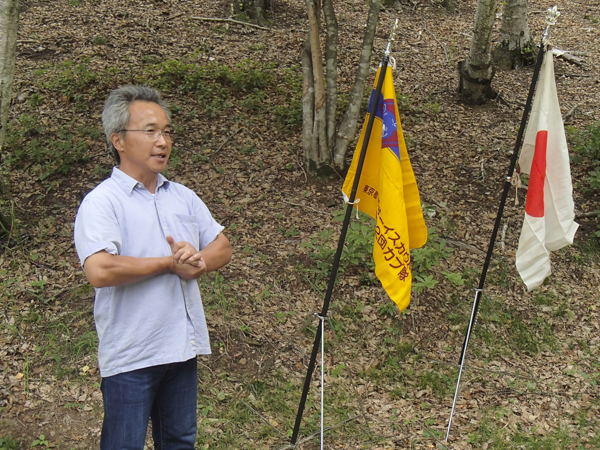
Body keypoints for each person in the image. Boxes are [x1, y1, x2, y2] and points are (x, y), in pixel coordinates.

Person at [74, 85, 232, 449]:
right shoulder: (103, 202)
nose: (162, 141)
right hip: (131, 353)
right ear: (119, 140)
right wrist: (168, 263)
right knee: (124, 443)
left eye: (167, 131)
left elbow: (222, 246)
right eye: (150, 131)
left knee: (179, 441)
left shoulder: (182, 196)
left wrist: (198, 262)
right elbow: (100, 270)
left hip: (181, 347)